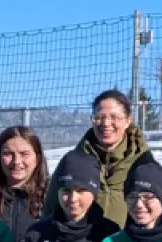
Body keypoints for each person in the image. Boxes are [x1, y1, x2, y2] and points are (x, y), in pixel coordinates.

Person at [44, 90, 149, 227]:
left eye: (115, 117)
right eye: (99, 117)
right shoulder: (73, 162)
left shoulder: (143, 162)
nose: (106, 123)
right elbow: (50, 210)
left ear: (128, 120)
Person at [0, 125, 49, 242]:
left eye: (24, 154)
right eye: (8, 154)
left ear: (37, 159)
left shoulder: (51, 198)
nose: (16, 161)